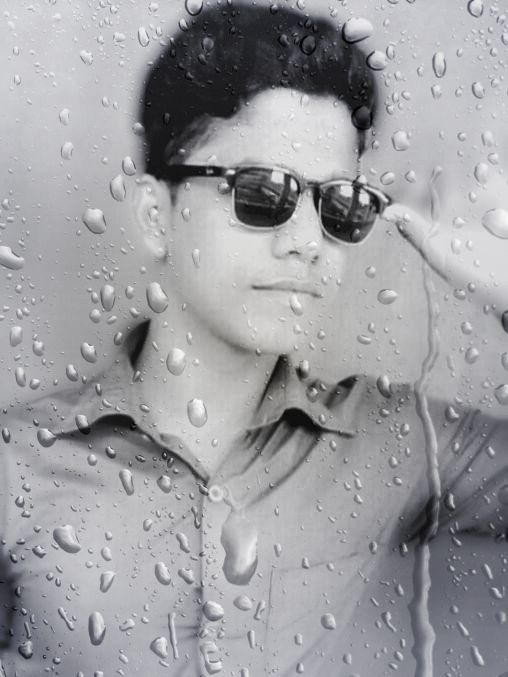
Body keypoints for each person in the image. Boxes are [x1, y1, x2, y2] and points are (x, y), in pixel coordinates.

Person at [1, 4, 507, 676]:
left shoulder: (394, 441)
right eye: (263, 193)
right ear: (156, 214)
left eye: (339, 205)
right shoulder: (17, 466)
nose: (307, 242)